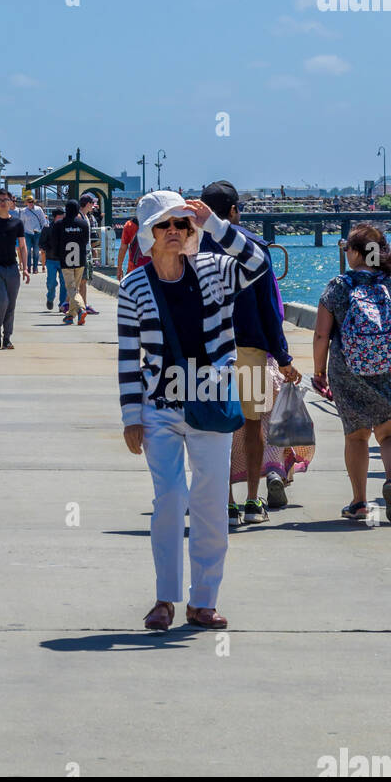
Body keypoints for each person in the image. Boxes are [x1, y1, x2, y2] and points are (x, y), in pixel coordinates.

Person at [118, 190, 269, 632]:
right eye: (164, 225)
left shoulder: (215, 269)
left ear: (191, 231)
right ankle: (166, 598)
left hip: (210, 402)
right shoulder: (133, 286)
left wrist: (218, 227)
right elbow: (129, 355)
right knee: (169, 499)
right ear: (149, 233)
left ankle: (203, 600)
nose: (174, 232)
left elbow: (259, 264)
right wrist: (131, 415)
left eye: (182, 225)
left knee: (208, 502)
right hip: (160, 407)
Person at [199, 180, 303, 525]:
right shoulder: (255, 247)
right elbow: (270, 307)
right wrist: (282, 355)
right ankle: (253, 501)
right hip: (250, 347)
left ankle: (225, 501)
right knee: (253, 423)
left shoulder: (189, 247)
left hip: (206, 351)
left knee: (216, 428)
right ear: (232, 211)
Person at [313, 223, 391, 523]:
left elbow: (321, 336)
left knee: (356, 437)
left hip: (348, 371)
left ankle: (360, 502)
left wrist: (319, 372)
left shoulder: (338, 286)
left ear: (355, 253)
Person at [0, 188, 30, 349]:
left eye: (6, 199)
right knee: (2, 300)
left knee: (11, 304)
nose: (3, 202)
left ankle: (7, 337)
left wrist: (25, 268)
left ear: (11, 202)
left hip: (12, 267)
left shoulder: (17, 222)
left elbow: (23, 246)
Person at [58, 201, 92, 325]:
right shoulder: (83, 224)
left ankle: (81, 309)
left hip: (66, 259)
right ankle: (70, 316)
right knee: (75, 288)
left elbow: (55, 241)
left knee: (71, 288)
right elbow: (85, 241)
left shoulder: (60, 224)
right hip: (80, 260)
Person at [40, 206, 67, 310]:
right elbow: (41, 243)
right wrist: (50, 248)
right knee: (51, 282)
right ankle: (50, 298)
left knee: (64, 283)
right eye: (62, 215)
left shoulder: (66, 228)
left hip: (64, 260)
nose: (64, 217)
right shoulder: (47, 228)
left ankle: (63, 305)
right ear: (57, 216)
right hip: (51, 260)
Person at [19, 194, 48, 274]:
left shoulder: (39, 209)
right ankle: (28, 268)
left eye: (32, 201)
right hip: (27, 233)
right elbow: (21, 223)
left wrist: (43, 231)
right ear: (26, 203)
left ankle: (35, 268)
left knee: (36, 251)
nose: (31, 203)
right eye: (29, 202)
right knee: (27, 251)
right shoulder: (23, 211)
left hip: (37, 233)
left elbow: (43, 221)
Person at [117, 215, 151, 280]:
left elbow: (123, 248)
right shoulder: (156, 224)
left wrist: (119, 268)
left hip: (133, 271)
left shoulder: (129, 225)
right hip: (152, 270)